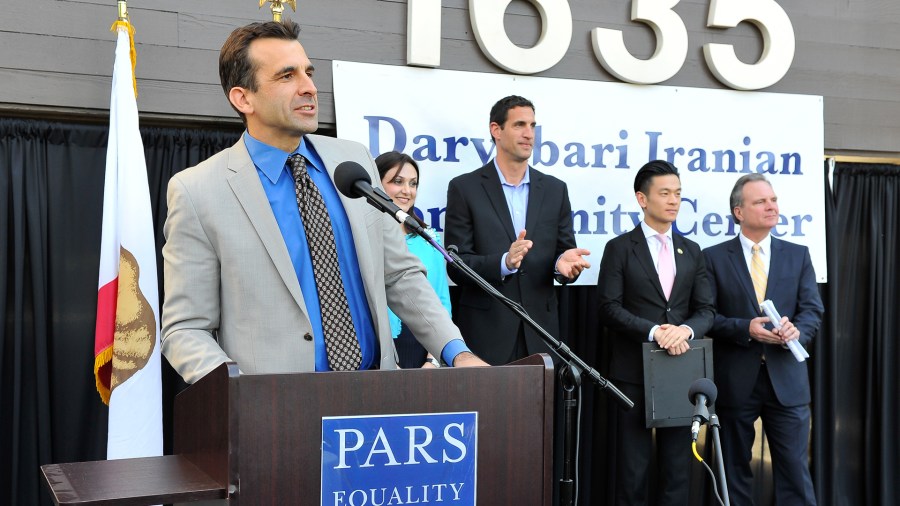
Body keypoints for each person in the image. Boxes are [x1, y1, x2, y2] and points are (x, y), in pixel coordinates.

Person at [160, 20, 486, 384]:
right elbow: (185, 329)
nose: (310, 88)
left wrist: (458, 352)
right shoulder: (199, 189)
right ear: (243, 98)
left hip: (376, 402)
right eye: (287, 76)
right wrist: (236, 393)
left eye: (308, 72)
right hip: (272, 418)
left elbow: (400, 275)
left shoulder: (355, 161)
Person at [596, 160, 715, 505]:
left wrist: (684, 331)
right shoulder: (619, 248)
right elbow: (608, 308)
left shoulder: (692, 251)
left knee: (678, 473)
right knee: (632, 472)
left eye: (678, 193)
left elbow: (706, 310)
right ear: (642, 199)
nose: (674, 200)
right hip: (632, 375)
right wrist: (654, 331)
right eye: (665, 193)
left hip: (681, 375)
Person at [443, 95, 590, 366]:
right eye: (520, 124)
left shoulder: (555, 189)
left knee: (541, 409)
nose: (529, 134)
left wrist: (562, 266)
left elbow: (562, 252)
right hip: (486, 333)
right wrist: (504, 262)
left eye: (533, 126)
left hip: (541, 333)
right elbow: (457, 264)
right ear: (496, 130)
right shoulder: (465, 188)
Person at [704, 174, 823, 506]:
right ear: (739, 212)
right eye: (761, 201)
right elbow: (706, 316)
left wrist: (798, 330)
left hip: (787, 381)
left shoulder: (798, 255)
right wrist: (745, 328)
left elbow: (812, 310)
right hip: (736, 380)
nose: (771, 206)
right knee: (733, 472)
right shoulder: (713, 257)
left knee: (795, 473)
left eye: (773, 200)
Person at [376, 151, 450, 369]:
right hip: (378, 353)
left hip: (422, 350)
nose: (407, 191)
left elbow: (441, 301)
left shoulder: (429, 237)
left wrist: (432, 359)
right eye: (397, 182)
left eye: (413, 183)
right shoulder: (361, 236)